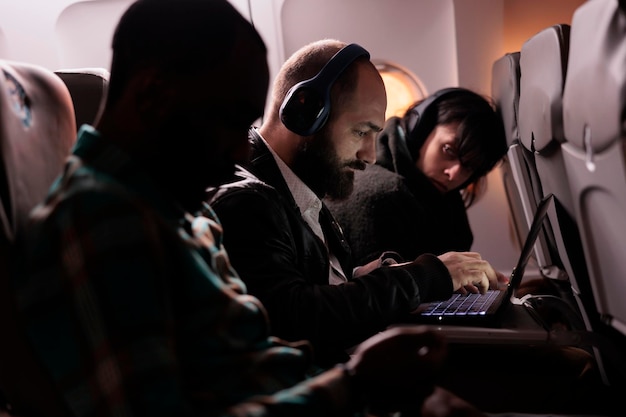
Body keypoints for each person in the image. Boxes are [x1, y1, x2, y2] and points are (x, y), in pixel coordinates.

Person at [6, 1, 490, 417]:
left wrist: (366, 382)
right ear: (151, 96)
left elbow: (250, 357)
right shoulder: (107, 223)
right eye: (231, 121)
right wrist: (357, 387)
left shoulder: (173, 210)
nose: (243, 153)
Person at [206, 39, 507, 368]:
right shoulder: (248, 201)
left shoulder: (300, 190)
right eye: (361, 132)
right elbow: (293, 317)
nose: (370, 155)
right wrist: (424, 277)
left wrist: (375, 274)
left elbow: (314, 284)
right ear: (305, 112)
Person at [325, 88, 507, 265]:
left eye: (469, 167)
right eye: (449, 150)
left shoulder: (444, 202)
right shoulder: (381, 196)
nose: (454, 174)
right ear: (421, 130)